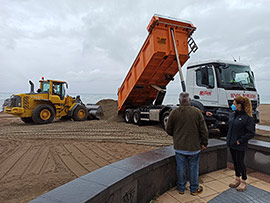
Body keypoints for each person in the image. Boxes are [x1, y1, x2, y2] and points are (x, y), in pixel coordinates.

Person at [166, 92, 208, 196]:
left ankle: (181, 188)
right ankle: (194, 189)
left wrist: (176, 136)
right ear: (189, 100)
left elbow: (168, 130)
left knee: (180, 167)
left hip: (179, 147)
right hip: (194, 147)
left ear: (179, 101)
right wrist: (204, 143)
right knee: (193, 168)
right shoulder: (197, 112)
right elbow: (204, 130)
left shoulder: (174, 112)